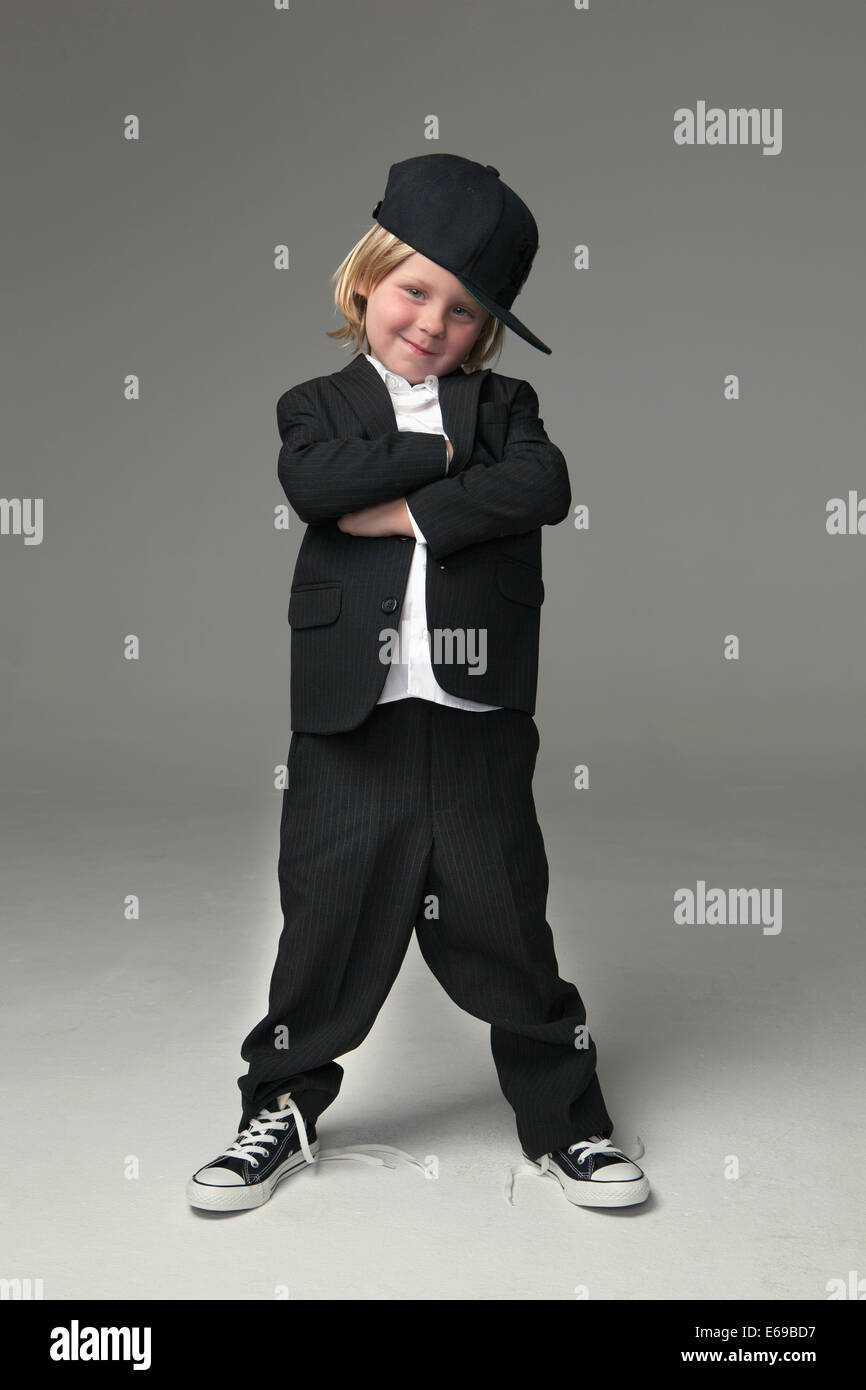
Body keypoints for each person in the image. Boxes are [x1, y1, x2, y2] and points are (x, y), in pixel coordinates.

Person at [187, 153, 650, 1213]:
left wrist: (403, 497)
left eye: (462, 309)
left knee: (503, 917)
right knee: (324, 913)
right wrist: (448, 458)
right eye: (413, 290)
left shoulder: (506, 408)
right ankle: (281, 1102)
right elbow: (316, 482)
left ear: (484, 328)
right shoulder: (313, 403)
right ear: (363, 283)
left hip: (476, 715)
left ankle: (565, 1119)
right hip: (351, 719)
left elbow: (543, 483)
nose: (432, 323)